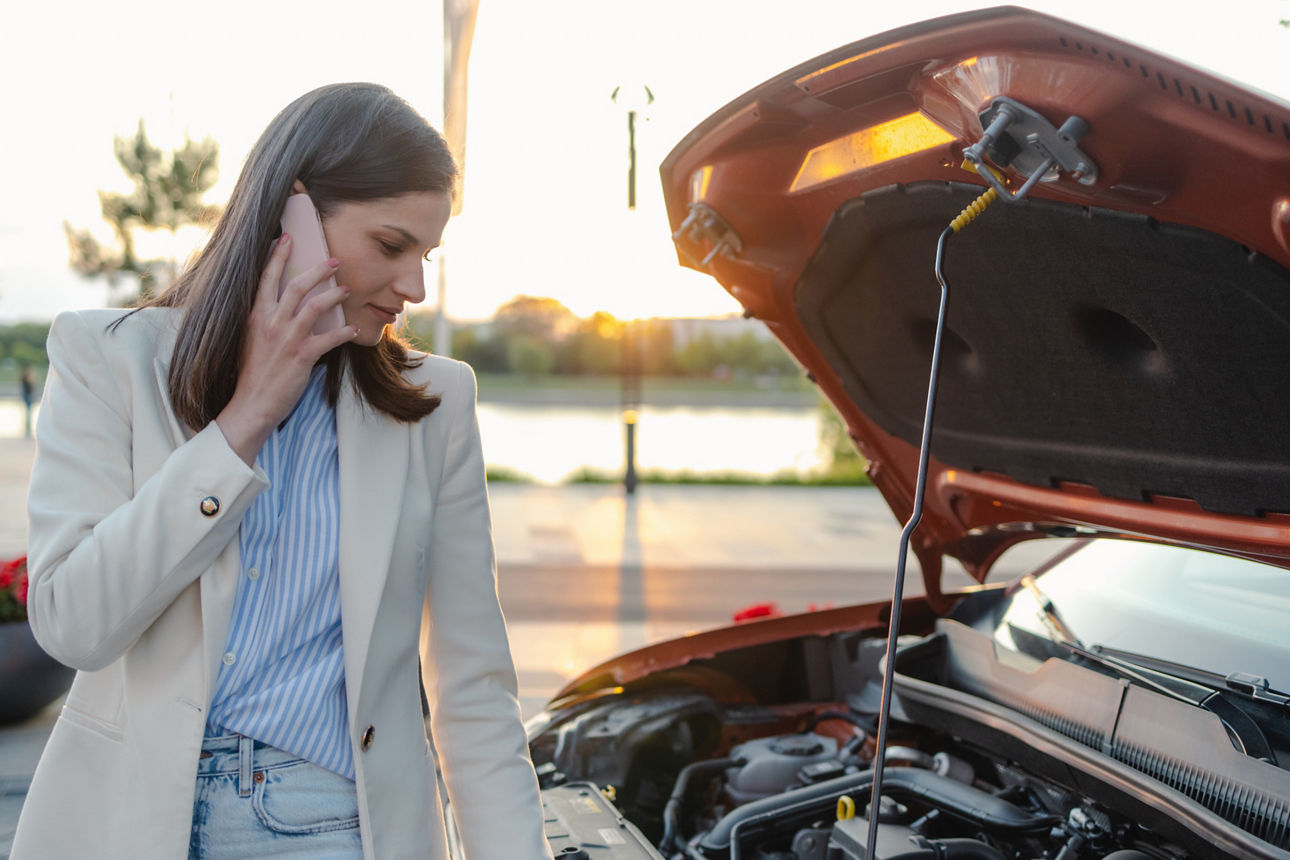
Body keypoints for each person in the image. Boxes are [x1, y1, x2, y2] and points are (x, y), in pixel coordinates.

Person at [14, 83, 554, 860]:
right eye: (392, 245)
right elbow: (75, 625)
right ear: (292, 215)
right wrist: (243, 425)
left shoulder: (437, 404)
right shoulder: (105, 358)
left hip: (330, 819)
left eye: (427, 255)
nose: (415, 287)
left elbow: (473, 690)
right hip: (120, 822)